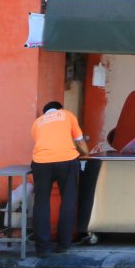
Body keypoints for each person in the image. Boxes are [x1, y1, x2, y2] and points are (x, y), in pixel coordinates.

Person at [30, 101, 89, 258]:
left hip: (41, 162)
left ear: (45, 112)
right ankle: (63, 244)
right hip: (66, 160)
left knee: (41, 203)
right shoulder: (67, 115)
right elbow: (80, 141)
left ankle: (42, 248)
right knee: (68, 201)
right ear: (60, 109)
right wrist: (87, 154)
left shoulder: (37, 122)